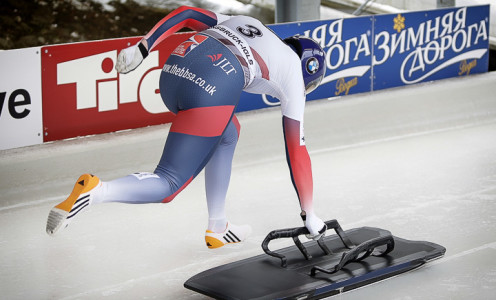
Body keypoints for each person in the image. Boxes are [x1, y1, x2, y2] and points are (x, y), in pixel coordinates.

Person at [46, 5, 327, 248]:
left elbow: (187, 14)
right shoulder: (293, 76)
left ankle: (218, 226)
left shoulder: (252, 24)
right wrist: (309, 213)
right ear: (308, 68)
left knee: (229, 133)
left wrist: (143, 47)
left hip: (171, 75)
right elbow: (296, 151)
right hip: (209, 89)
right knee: (168, 184)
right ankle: (96, 191)